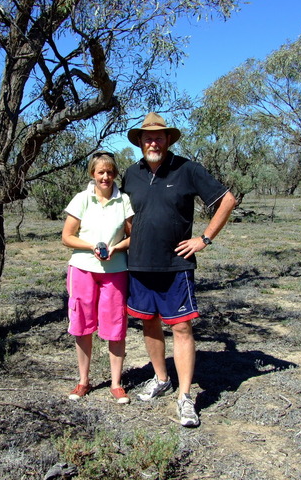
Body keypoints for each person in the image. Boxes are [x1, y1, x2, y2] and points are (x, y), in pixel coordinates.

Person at [121, 112, 236, 426]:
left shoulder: (188, 169)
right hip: (139, 264)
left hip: (176, 265)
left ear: (168, 139)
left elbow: (227, 200)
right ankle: (161, 378)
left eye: (159, 137)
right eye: (148, 137)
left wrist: (204, 238)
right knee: (148, 322)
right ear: (140, 142)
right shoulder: (131, 174)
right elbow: (125, 214)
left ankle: (185, 398)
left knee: (182, 327)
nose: (153, 142)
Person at [62, 151, 134, 404]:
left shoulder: (123, 200)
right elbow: (67, 236)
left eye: (110, 172)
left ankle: (116, 383)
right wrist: (90, 246)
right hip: (82, 268)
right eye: (100, 172)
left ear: (115, 174)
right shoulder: (82, 199)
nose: (106, 177)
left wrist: (117, 248)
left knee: (116, 325)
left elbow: (133, 235)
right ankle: (83, 381)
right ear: (92, 173)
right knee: (82, 325)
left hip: (115, 271)